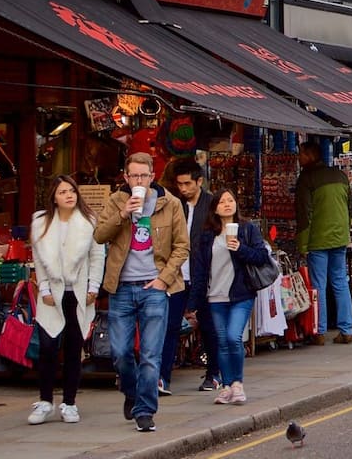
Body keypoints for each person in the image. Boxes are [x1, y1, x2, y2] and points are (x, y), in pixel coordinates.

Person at [94, 152, 190, 433]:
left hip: (153, 288)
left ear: (152, 176)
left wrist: (163, 279)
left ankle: (145, 411)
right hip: (121, 288)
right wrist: (123, 214)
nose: (139, 180)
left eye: (143, 176)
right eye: (133, 176)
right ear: (126, 177)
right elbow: (99, 236)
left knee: (151, 355)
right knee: (120, 352)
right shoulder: (114, 201)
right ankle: (132, 390)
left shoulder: (170, 204)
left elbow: (182, 246)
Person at [28, 176, 106, 426]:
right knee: (48, 347)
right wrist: (44, 288)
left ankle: (70, 403)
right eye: (63, 192)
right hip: (52, 294)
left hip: (78, 292)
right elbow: (39, 260)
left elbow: (97, 255)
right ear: (54, 196)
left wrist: (94, 286)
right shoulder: (41, 223)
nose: (69, 195)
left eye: (72, 191)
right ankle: (45, 401)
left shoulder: (88, 221)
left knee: (73, 349)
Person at [187, 189, 269, 405]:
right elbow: (200, 270)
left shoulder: (247, 229)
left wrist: (240, 248)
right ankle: (226, 386)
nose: (227, 204)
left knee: (233, 337)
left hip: (241, 295)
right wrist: (193, 303)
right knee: (222, 342)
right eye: (222, 201)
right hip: (215, 297)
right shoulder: (207, 236)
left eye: (230, 200)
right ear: (214, 208)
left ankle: (237, 384)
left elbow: (261, 256)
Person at [295, 141, 352, 345]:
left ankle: (318, 331)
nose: (298, 158)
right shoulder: (340, 176)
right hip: (339, 238)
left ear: (310, 155)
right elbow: (350, 207)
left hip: (317, 240)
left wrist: (302, 246)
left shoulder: (306, 178)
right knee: (340, 282)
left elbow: (304, 214)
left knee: (318, 285)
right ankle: (346, 329)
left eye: (301, 154)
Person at [161, 161, 207, 395]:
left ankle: (214, 374)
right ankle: (163, 378)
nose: (183, 188)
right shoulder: (173, 205)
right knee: (169, 327)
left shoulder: (211, 205)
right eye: (179, 184)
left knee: (209, 327)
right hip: (177, 277)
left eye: (188, 183)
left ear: (199, 181)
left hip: (204, 277)